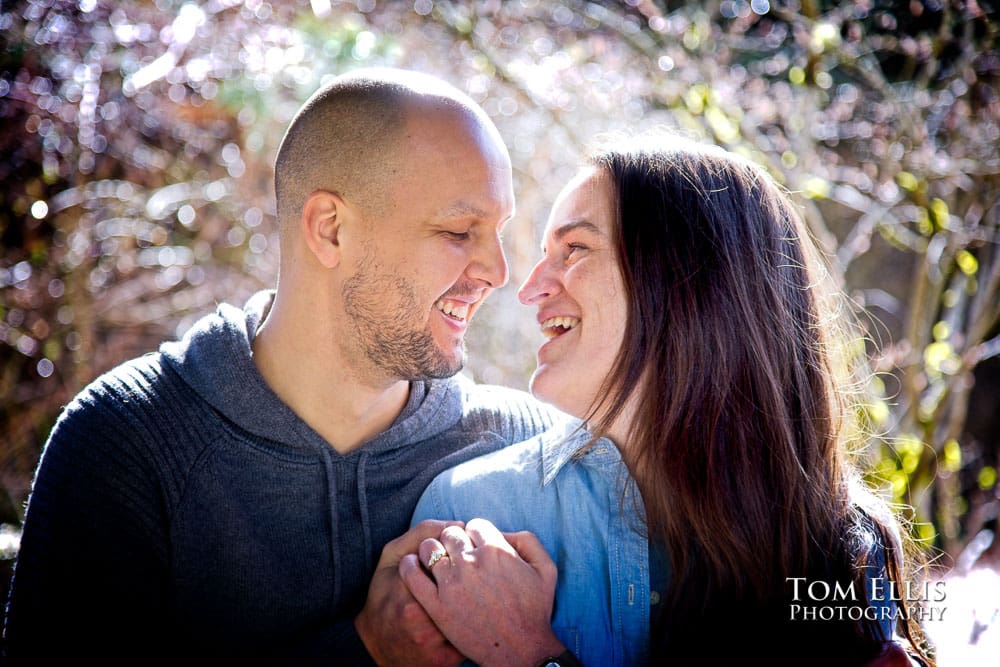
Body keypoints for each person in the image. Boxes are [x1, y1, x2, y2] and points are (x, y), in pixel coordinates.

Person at [1, 68, 566, 665]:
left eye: (498, 232)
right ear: (330, 230)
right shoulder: (125, 445)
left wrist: (536, 654)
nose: (499, 272)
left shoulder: (532, 451)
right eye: (458, 231)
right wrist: (366, 650)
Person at [404, 136, 934, 666]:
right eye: (546, 255)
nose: (529, 289)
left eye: (575, 249)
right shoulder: (473, 515)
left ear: (691, 281)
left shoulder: (842, 541)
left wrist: (535, 657)